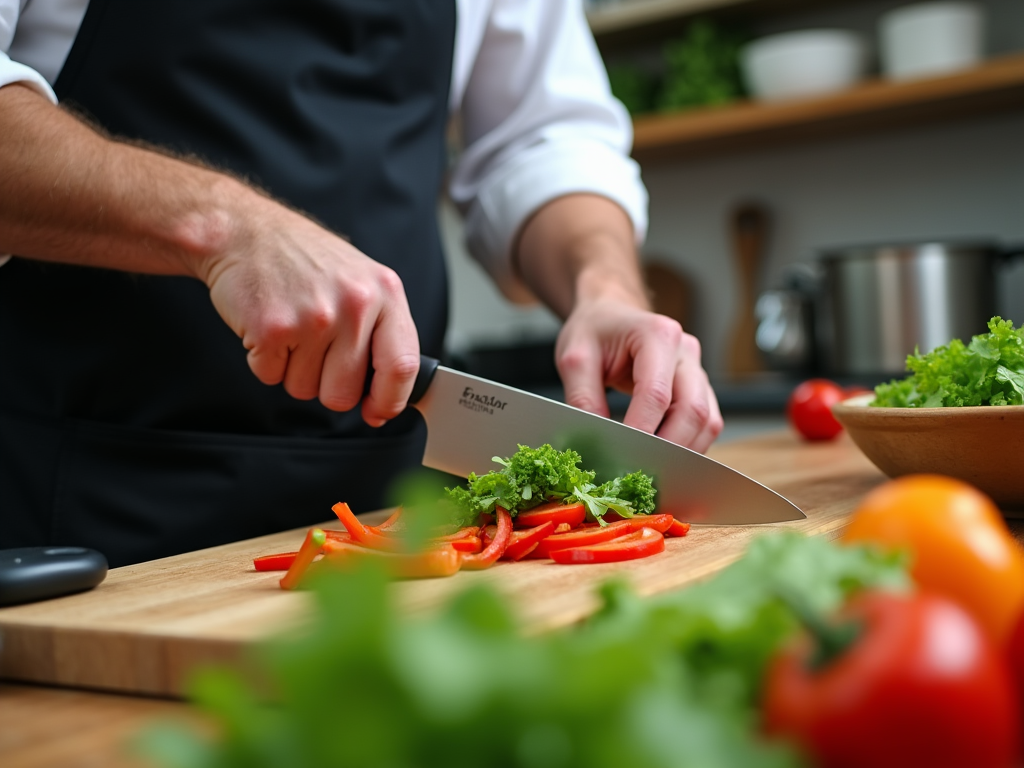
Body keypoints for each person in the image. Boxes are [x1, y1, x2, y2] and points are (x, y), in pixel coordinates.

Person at [0, 0, 722, 567]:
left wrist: (603, 286)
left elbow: (542, 142)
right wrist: (220, 226)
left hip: (392, 503)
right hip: (84, 502)